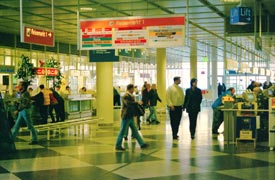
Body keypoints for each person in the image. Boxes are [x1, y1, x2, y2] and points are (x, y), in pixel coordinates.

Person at [115, 84, 148, 151]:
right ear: (130, 89)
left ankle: (142, 143)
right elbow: (128, 104)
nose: (134, 90)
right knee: (122, 131)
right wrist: (137, 102)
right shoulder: (126, 96)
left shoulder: (130, 96)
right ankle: (118, 145)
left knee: (135, 131)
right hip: (126, 116)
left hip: (130, 116)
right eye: (133, 89)